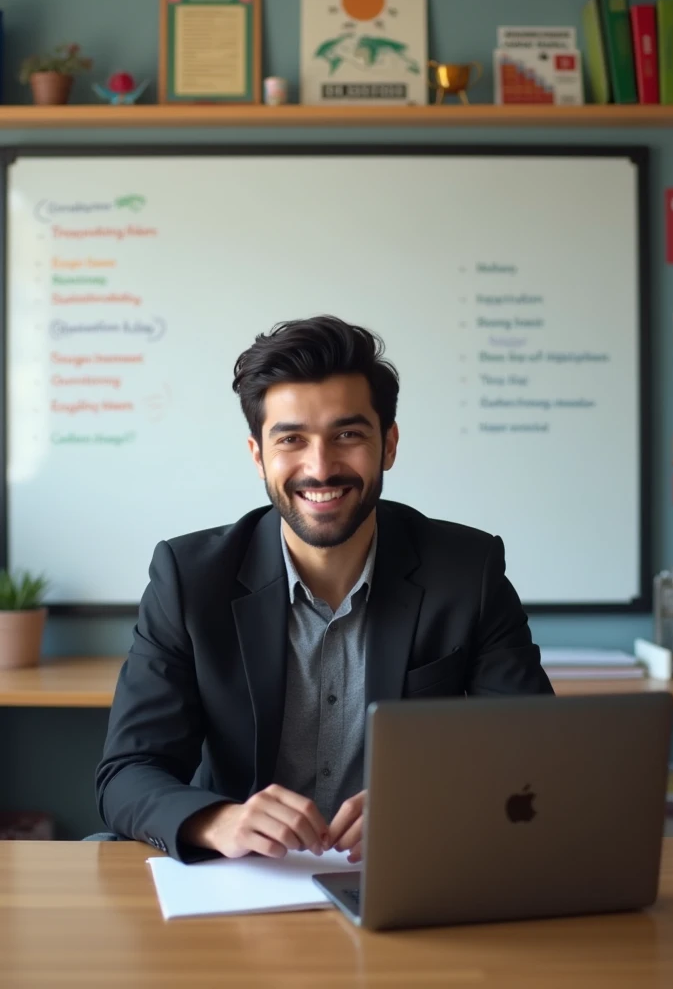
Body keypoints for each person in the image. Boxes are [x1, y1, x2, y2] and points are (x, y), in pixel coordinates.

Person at [95, 316, 552, 864]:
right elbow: (127, 773)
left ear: (388, 444)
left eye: (348, 435)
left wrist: (429, 804)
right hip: (240, 886)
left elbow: (533, 753)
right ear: (258, 456)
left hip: (408, 872)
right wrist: (223, 821)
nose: (320, 467)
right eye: (291, 439)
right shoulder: (189, 578)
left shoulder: (467, 571)